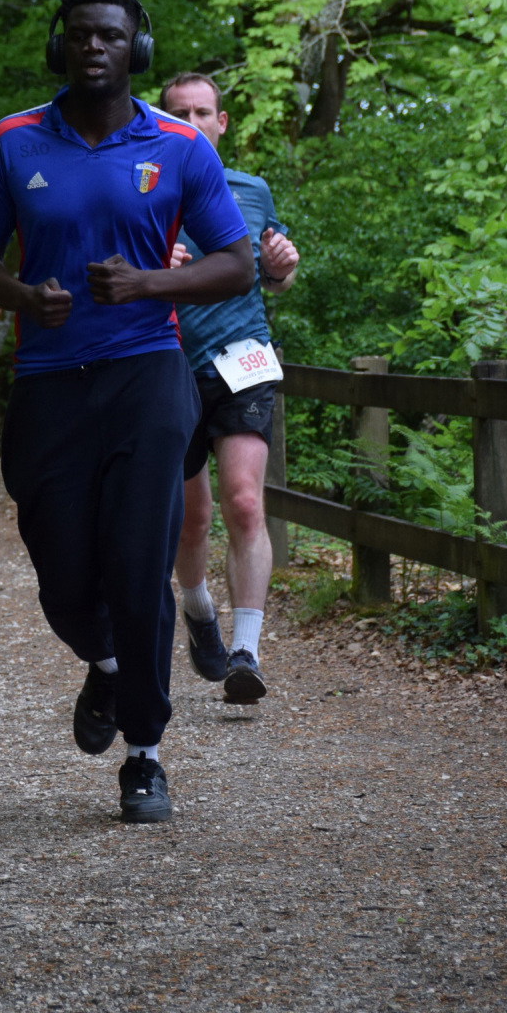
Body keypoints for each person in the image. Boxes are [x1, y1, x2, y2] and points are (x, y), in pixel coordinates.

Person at [0, 0, 254, 823]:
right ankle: (109, 663)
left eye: (112, 35)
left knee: (137, 562)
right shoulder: (13, 139)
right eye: (81, 34)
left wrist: (148, 283)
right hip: (49, 377)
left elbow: (236, 263)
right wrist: (23, 297)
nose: (95, 46)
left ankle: (145, 755)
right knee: (60, 570)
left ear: (138, 49)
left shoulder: (180, 145)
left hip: (146, 372)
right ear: (60, 45)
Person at [158, 73, 300, 706]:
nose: (191, 122)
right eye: (179, 113)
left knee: (244, 501)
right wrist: (153, 268)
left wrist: (280, 268)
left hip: (242, 359)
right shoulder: (144, 190)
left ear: (221, 122)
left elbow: (275, 275)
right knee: (192, 519)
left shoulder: (251, 189)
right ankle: (198, 611)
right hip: (168, 364)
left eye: (202, 112)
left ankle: (246, 652)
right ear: (162, 121)